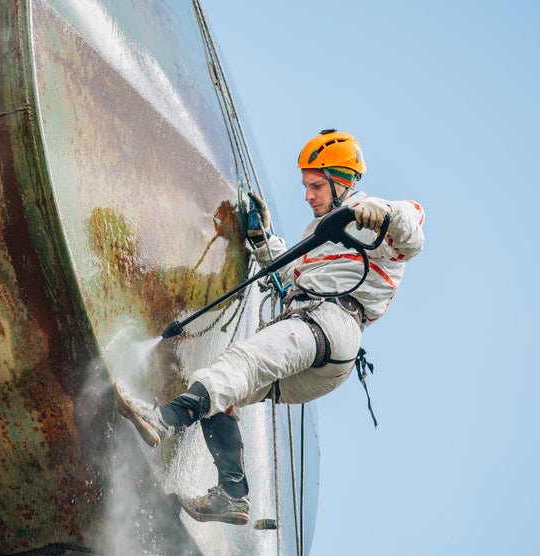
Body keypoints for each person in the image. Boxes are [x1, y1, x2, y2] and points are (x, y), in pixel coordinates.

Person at [114, 129, 425, 525]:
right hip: (325, 351)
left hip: (330, 325)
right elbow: (291, 273)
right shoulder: (321, 232)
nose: (308, 196)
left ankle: (161, 419)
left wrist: (383, 214)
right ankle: (232, 493)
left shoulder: (372, 216)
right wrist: (263, 239)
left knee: (239, 363)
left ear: (342, 180)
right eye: (305, 187)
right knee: (223, 387)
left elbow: (413, 231)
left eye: (316, 185)